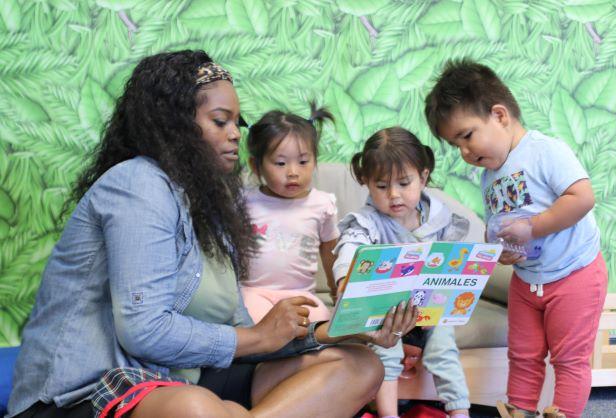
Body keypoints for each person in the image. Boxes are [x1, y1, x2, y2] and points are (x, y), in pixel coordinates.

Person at [7, 50, 420, 418]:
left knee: (361, 365)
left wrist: (333, 331)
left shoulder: (211, 202)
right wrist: (256, 335)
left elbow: (241, 329)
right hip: (91, 388)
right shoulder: (137, 184)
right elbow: (144, 329)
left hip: (185, 377)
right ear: (175, 125)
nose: (236, 134)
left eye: (236, 123)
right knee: (195, 409)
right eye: (220, 121)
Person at [424, 59, 607, 418]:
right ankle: (520, 411)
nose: (464, 152)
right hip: (527, 280)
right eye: (454, 144)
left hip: (574, 274)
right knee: (522, 356)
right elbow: (505, 224)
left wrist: (533, 228)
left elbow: (583, 198)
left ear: (499, 115)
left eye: (467, 136)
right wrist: (506, 250)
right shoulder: (490, 175)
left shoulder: (544, 151)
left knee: (569, 359)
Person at [333, 127, 472, 418]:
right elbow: (348, 248)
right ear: (367, 183)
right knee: (387, 347)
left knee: (444, 345)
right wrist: (345, 277)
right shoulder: (368, 222)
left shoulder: (439, 216)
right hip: (388, 314)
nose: (394, 195)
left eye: (404, 183)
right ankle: (389, 414)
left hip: (428, 309)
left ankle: (459, 410)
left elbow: (453, 259)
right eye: (382, 186)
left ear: (422, 177)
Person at [240, 104, 338, 323]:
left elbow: (330, 252)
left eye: (303, 162)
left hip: (301, 294)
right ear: (256, 166)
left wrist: (336, 291)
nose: (293, 172)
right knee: (255, 324)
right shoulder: (244, 201)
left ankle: (294, 356)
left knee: (319, 323)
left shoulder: (322, 205)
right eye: (281, 163)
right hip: (254, 292)